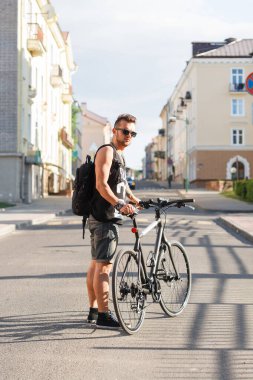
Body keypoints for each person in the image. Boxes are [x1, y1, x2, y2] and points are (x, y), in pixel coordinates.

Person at [86, 114, 140, 329]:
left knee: (96, 265)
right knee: (104, 268)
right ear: (115, 131)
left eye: (132, 133)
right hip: (104, 217)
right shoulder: (107, 151)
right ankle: (103, 315)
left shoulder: (120, 155)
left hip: (106, 216)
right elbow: (101, 184)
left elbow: (121, 183)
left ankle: (93, 310)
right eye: (125, 131)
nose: (128, 136)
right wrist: (120, 205)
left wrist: (134, 199)